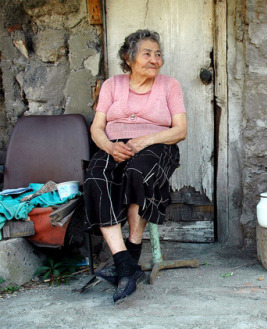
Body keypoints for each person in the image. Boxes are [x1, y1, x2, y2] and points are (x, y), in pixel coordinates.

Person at [83, 29, 187, 303]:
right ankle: (125, 264)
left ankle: (131, 256)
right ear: (128, 58)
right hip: (115, 144)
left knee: (137, 173)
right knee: (96, 177)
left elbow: (180, 130)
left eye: (158, 54)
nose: (155, 60)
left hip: (157, 145)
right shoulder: (111, 85)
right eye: (147, 54)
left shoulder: (169, 85)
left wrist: (145, 140)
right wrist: (109, 147)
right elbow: (97, 128)